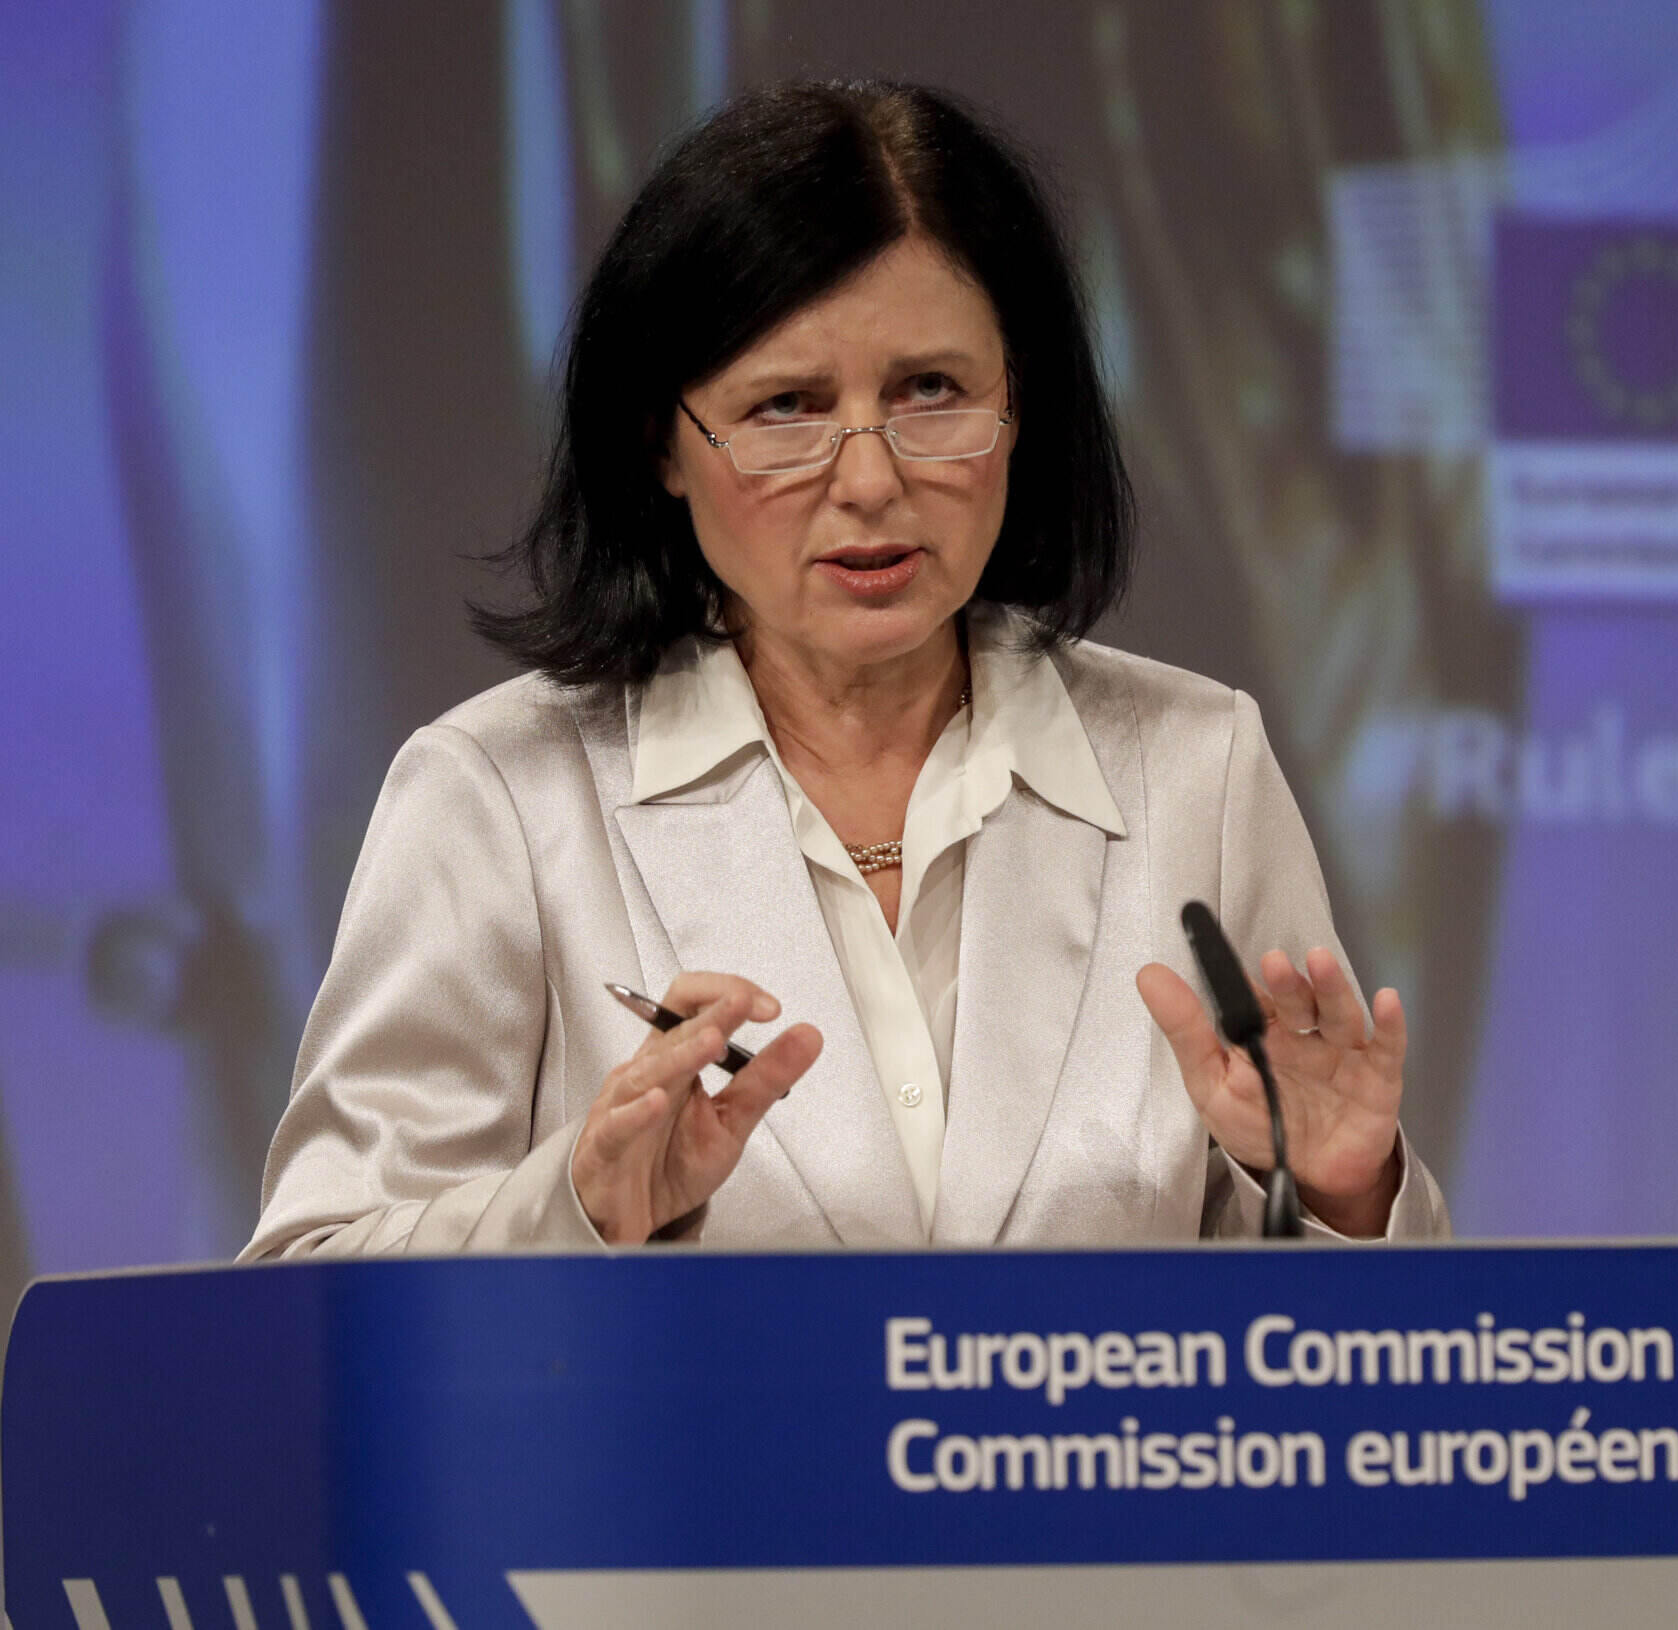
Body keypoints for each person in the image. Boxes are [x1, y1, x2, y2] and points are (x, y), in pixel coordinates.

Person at [244, 81, 1447, 1255]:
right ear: (661, 441)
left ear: (1019, 406)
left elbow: (1316, 1355)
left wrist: (1344, 1196)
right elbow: (309, 1287)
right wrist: (578, 1208)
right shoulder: (499, 793)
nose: (869, 480)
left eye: (931, 391)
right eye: (786, 406)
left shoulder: (1196, 769)